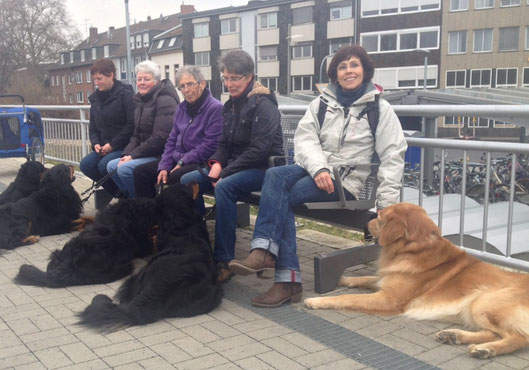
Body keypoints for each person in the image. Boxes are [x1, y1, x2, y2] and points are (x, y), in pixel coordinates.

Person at [228, 45, 407, 307]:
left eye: (354, 65)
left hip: (346, 182)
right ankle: (265, 252)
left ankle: (283, 275)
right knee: (276, 175)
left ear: (365, 70)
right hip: (316, 171)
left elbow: (393, 155)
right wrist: (320, 168)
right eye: (342, 66)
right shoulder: (321, 103)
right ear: (335, 73)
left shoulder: (379, 109)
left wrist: (387, 206)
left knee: (282, 196)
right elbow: (305, 140)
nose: (348, 71)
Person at [180, 50, 283, 284]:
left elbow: (260, 150)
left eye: (235, 78)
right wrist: (216, 163)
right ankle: (198, 243)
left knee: (224, 187)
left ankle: (224, 260)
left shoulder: (264, 104)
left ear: (249, 77)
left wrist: (225, 172)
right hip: (237, 166)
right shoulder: (230, 106)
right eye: (226, 78)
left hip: (264, 169)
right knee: (188, 182)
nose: (229, 84)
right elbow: (224, 144)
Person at [133, 66, 223, 198]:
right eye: (182, 86)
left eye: (190, 84)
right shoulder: (181, 109)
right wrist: (164, 166)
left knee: (177, 177)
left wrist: (182, 161)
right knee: (141, 172)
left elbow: (209, 146)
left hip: (201, 161)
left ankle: (191, 216)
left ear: (202, 84)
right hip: (179, 159)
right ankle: (151, 215)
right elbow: (171, 140)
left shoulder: (215, 108)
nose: (186, 90)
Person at [106, 60, 179, 198]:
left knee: (125, 169)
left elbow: (161, 138)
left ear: (156, 81)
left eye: (147, 79)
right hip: (146, 152)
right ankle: (133, 200)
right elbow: (136, 135)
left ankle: (145, 203)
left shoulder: (165, 100)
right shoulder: (142, 101)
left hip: (161, 154)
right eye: (139, 79)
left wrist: (133, 156)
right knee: (112, 166)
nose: (142, 82)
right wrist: (126, 155)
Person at [79, 58, 135, 197]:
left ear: (111, 75)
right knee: (86, 165)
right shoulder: (95, 99)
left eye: (99, 79)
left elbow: (131, 125)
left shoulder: (126, 94)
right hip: (104, 147)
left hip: (125, 146)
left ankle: (128, 194)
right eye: (95, 80)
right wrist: (96, 143)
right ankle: (120, 194)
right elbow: (93, 128)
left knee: (104, 166)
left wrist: (112, 145)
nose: (96, 83)